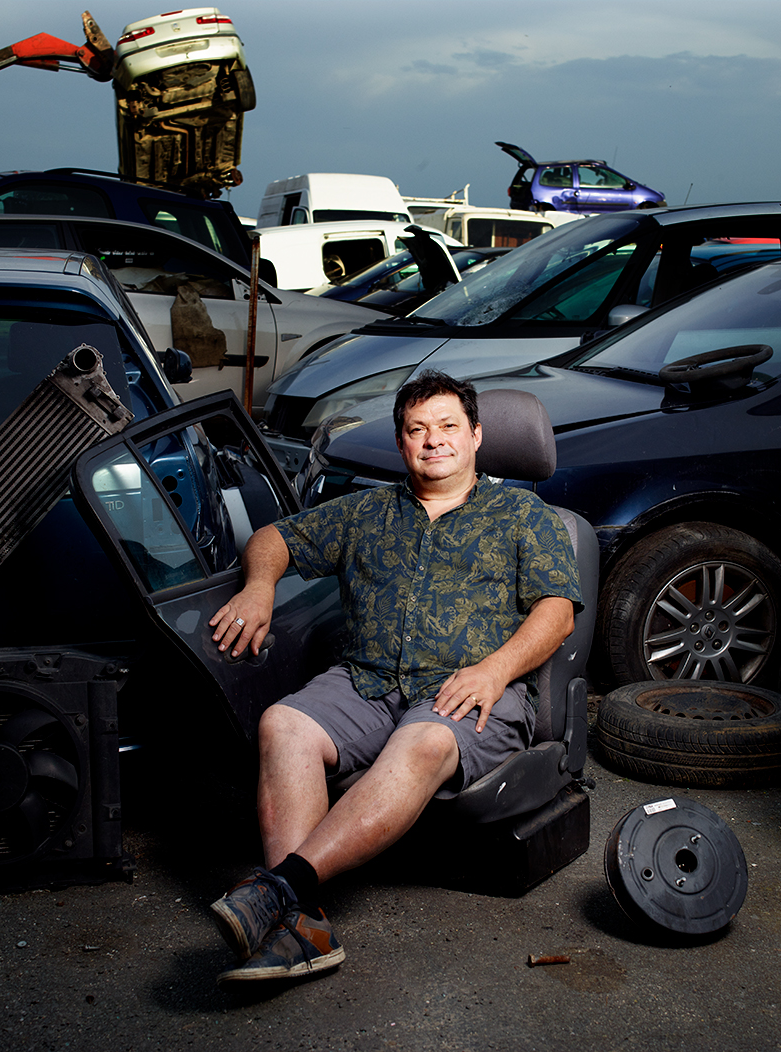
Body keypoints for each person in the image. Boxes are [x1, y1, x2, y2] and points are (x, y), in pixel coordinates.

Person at [206, 370, 582, 984]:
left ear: (477, 436)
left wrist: (494, 670)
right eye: (417, 430)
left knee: (425, 740)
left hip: (466, 689)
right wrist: (258, 587)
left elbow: (557, 613)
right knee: (284, 724)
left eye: (448, 427)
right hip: (367, 682)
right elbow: (274, 538)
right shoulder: (367, 511)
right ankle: (302, 929)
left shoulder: (523, 515)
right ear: (402, 443)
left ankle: (281, 891)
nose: (433, 441)